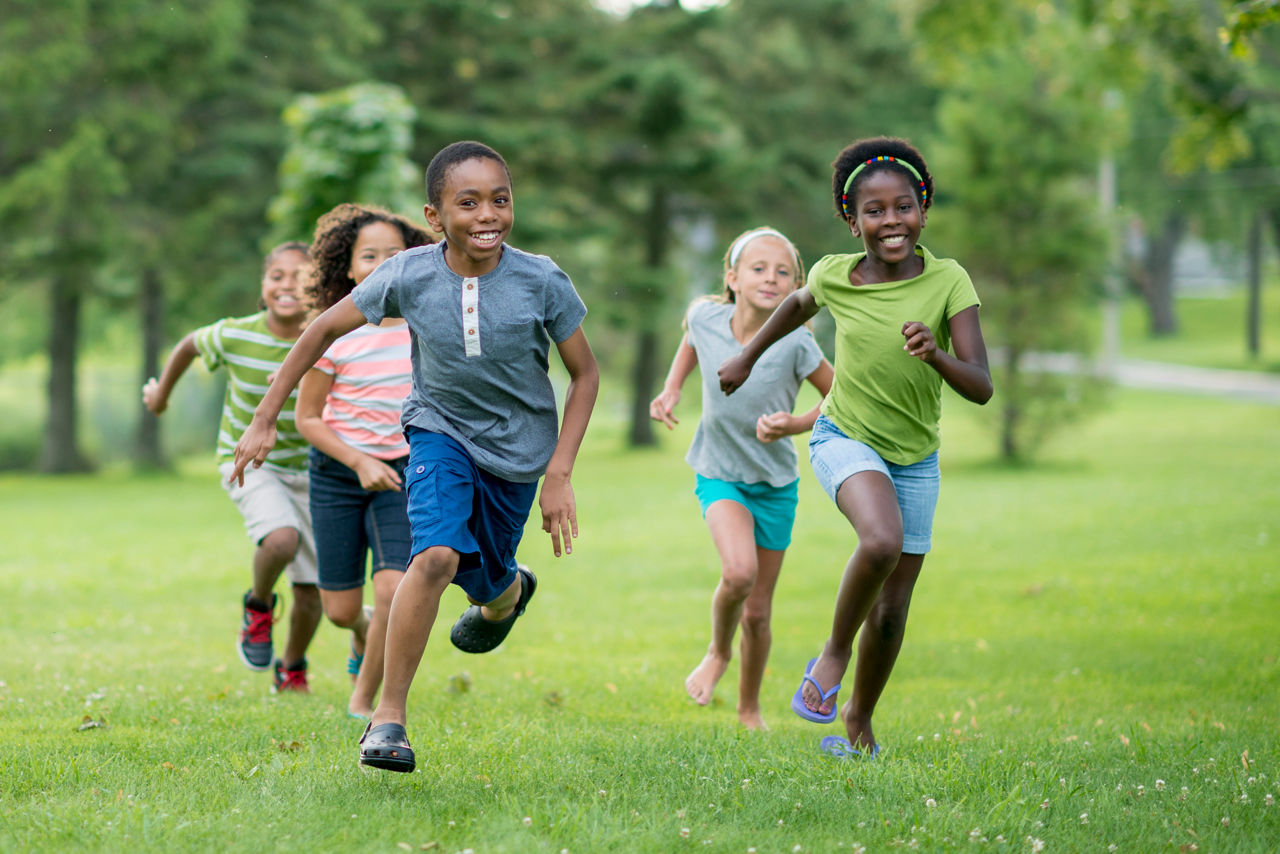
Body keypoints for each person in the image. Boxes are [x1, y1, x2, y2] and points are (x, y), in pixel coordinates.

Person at [229, 140, 599, 773]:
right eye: (469, 202)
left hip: (517, 457)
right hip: (438, 432)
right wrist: (267, 417)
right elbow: (320, 329)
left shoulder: (541, 279)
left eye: (500, 200)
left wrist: (560, 471)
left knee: (486, 578)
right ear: (434, 217)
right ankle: (387, 719)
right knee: (433, 556)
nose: (488, 215)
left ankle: (507, 593)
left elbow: (585, 375)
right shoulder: (409, 274)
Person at [718, 137, 993, 759]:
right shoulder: (833, 275)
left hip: (916, 457)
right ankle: (833, 652)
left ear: (923, 210)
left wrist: (937, 352)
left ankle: (858, 720)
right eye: (874, 211)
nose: (890, 222)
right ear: (853, 220)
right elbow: (794, 305)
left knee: (894, 606)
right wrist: (745, 355)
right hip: (845, 436)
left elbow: (981, 385)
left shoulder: (950, 281)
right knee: (880, 541)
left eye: (903, 208)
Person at [649, 226, 833, 730]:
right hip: (719, 473)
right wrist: (671, 389)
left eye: (784, 273)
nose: (771, 279)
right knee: (738, 574)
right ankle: (717, 653)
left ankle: (749, 708)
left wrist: (795, 425)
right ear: (731, 278)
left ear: (797, 288)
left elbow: (840, 394)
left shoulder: (796, 342)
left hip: (775, 486)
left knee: (758, 612)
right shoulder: (706, 316)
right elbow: (691, 341)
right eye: (758, 269)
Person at [142, 242, 323, 693]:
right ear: (262, 287)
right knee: (281, 540)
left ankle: (292, 665)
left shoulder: (326, 337)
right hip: (249, 463)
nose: (286, 285)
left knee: (311, 592)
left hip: (317, 473)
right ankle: (258, 606)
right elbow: (189, 345)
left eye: (300, 277)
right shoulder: (237, 334)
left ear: (316, 286)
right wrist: (161, 395)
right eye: (277, 276)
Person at [296, 203, 433, 719]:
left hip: (402, 472)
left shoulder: (426, 328)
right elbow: (308, 419)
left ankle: (364, 700)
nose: (381, 264)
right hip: (337, 473)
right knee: (341, 611)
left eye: (393, 255)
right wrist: (357, 462)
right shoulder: (334, 331)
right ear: (349, 269)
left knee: (396, 586)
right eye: (368, 256)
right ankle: (362, 632)